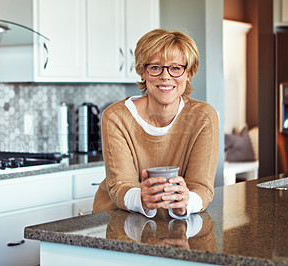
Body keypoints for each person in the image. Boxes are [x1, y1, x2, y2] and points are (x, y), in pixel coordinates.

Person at [93, 29, 219, 220]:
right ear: (143, 71)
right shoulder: (116, 117)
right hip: (118, 218)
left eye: (176, 68)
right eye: (155, 67)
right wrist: (141, 198)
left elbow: (201, 187)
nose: (165, 76)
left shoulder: (203, 117)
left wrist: (186, 202)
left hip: (175, 222)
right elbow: (120, 185)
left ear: (189, 73)